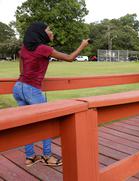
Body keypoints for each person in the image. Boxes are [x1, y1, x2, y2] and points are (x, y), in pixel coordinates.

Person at [13, 22, 90, 167]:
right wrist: (82, 45)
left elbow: (22, 71)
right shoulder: (43, 48)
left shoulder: (24, 49)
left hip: (18, 87)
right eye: (49, 29)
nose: (51, 32)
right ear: (41, 33)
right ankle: (47, 156)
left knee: (27, 125)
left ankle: (30, 157)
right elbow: (69, 58)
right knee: (46, 124)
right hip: (32, 89)